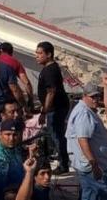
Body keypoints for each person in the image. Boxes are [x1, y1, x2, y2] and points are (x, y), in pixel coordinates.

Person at [67, 82, 107, 200]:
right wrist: (94, 164)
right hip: (94, 167)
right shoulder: (84, 113)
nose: (96, 100)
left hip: (91, 166)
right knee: (105, 195)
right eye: (92, 97)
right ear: (84, 96)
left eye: (97, 96)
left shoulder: (85, 110)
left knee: (90, 195)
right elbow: (83, 140)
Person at [34, 41, 70, 173]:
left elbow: (51, 91)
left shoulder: (50, 70)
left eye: (40, 53)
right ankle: (62, 161)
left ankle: (63, 164)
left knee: (56, 135)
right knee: (56, 134)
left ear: (48, 55)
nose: (36, 56)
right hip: (55, 108)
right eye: (36, 53)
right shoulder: (48, 69)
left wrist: (44, 111)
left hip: (56, 109)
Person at [0, 43, 30, 133]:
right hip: (3, 103)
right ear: (11, 52)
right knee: (7, 129)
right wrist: (25, 104)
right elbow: (24, 84)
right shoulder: (11, 65)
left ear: (0, 51)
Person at [0, 118, 26, 199]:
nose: (11, 138)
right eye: (7, 134)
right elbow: (0, 191)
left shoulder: (13, 148)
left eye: (15, 135)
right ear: (0, 135)